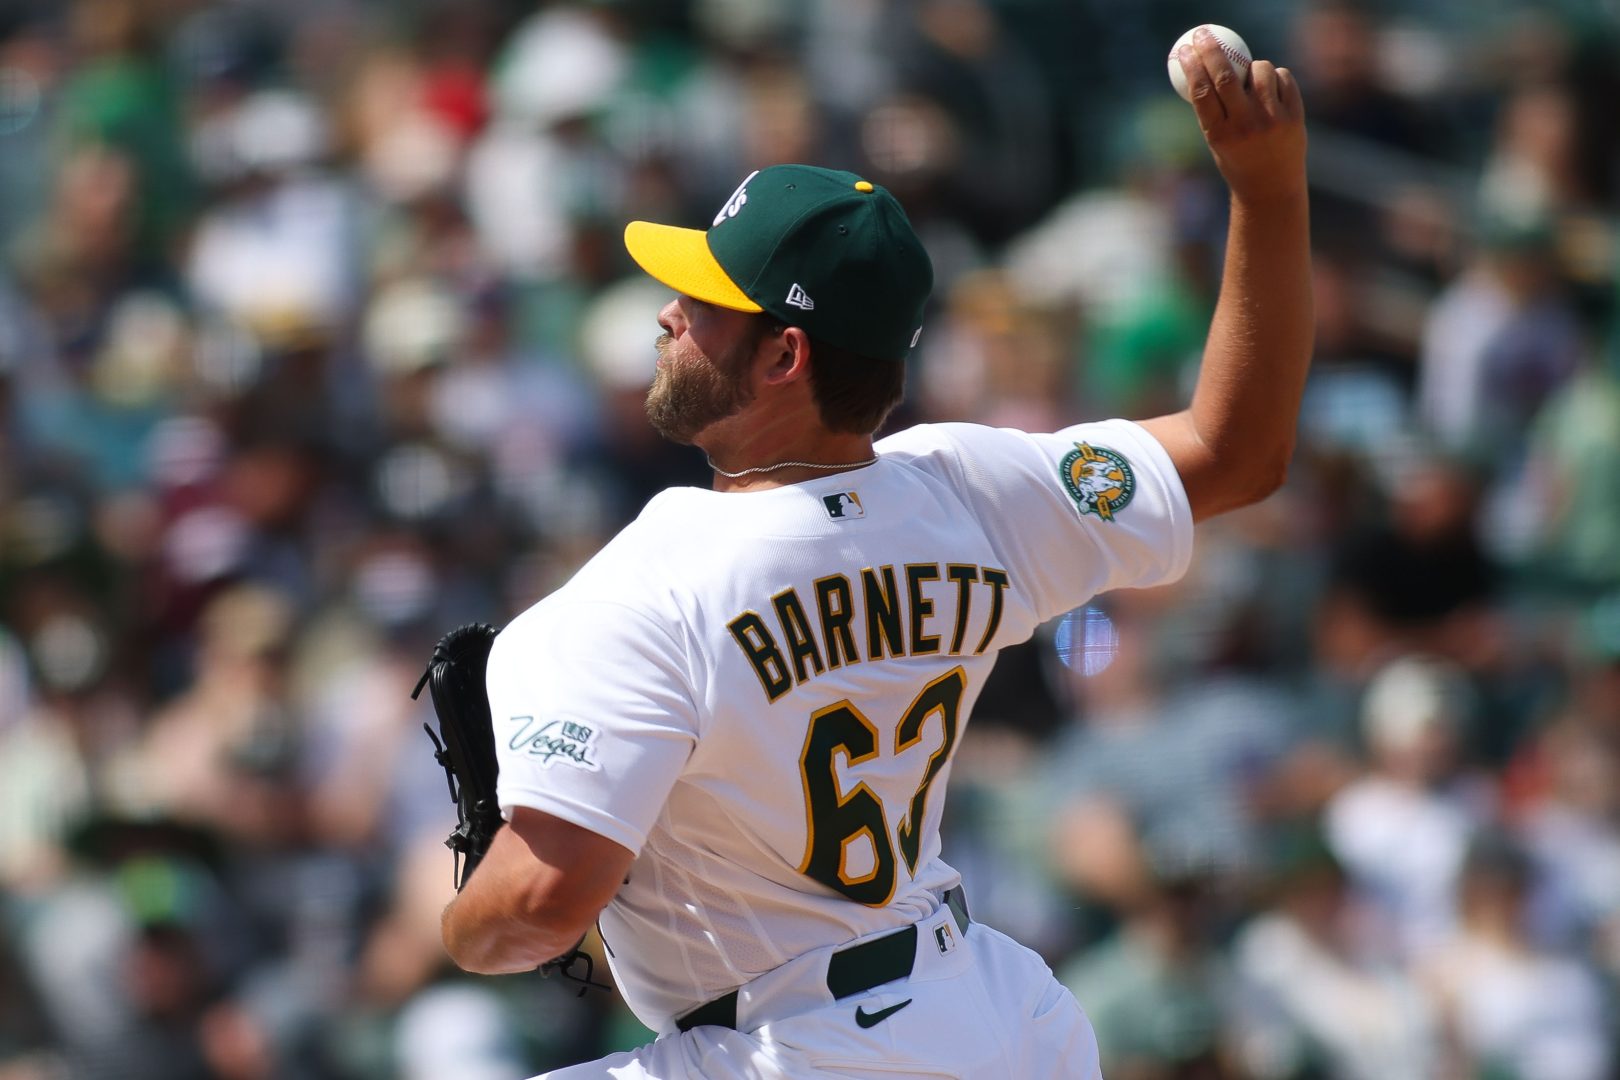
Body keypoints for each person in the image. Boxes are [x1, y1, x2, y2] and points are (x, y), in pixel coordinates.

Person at [440, 30, 1310, 1079]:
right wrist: (1266, 192)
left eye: (704, 303)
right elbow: (1238, 450)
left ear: (784, 355)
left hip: (790, 1046)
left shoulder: (642, 590)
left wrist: (466, 912)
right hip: (984, 1017)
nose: (668, 313)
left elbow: (536, 908)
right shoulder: (973, 490)